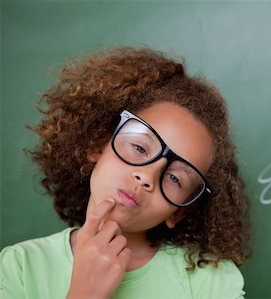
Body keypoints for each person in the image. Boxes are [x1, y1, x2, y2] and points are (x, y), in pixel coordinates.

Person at [0, 46, 251, 298]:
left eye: (175, 178)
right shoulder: (19, 268)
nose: (146, 178)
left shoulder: (211, 281)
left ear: (178, 211)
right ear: (98, 144)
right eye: (140, 148)